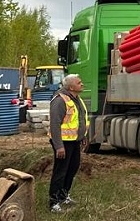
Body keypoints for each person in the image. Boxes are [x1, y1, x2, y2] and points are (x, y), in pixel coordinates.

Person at [48, 73, 88, 213]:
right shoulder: (60, 101)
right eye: (79, 82)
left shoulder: (77, 99)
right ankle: (54, 202)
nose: (82, 84)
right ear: (71, 87)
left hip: (74, 141)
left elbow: (80, 120)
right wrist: (59, 146)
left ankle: (64, 196)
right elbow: (55, 124)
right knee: (61, 171)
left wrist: (82, 136)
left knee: (73, 168)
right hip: (63, 142)